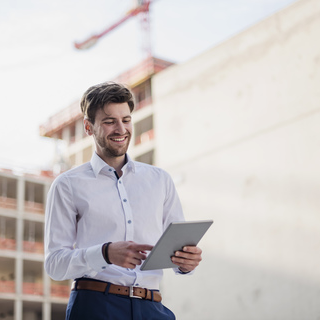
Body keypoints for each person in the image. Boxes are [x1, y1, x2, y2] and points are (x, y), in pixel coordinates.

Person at [44, 82, 203, 320]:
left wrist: (186, 262)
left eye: (126, 120)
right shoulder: (68, 185)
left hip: (152, 306)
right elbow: (55, 264)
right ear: (89, 127)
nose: (121, 129)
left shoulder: (160, 180)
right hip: (96, 306)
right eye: (109, 121)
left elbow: (177, 248)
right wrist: (105, 253)